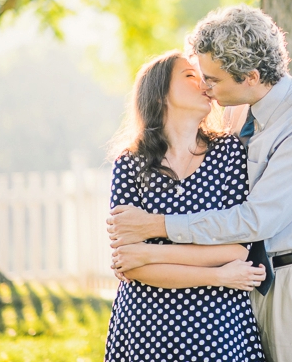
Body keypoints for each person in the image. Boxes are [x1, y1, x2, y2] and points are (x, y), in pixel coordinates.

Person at [108, 5, 292, 362]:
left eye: (213, 79)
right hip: (251, 284)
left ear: (250, 76)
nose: (206, 87)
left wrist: (156, 231)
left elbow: (257, 220)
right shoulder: (238, 108)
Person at [105, 50, 267, 362]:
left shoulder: (228, 153)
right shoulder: (130, 163)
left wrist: (150, 253)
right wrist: (217, 276)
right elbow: (131, 263)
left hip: (217, 325)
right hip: (147, 327)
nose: (204, 83)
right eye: (190, 75)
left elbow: (236, 250)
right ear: (160, 94)